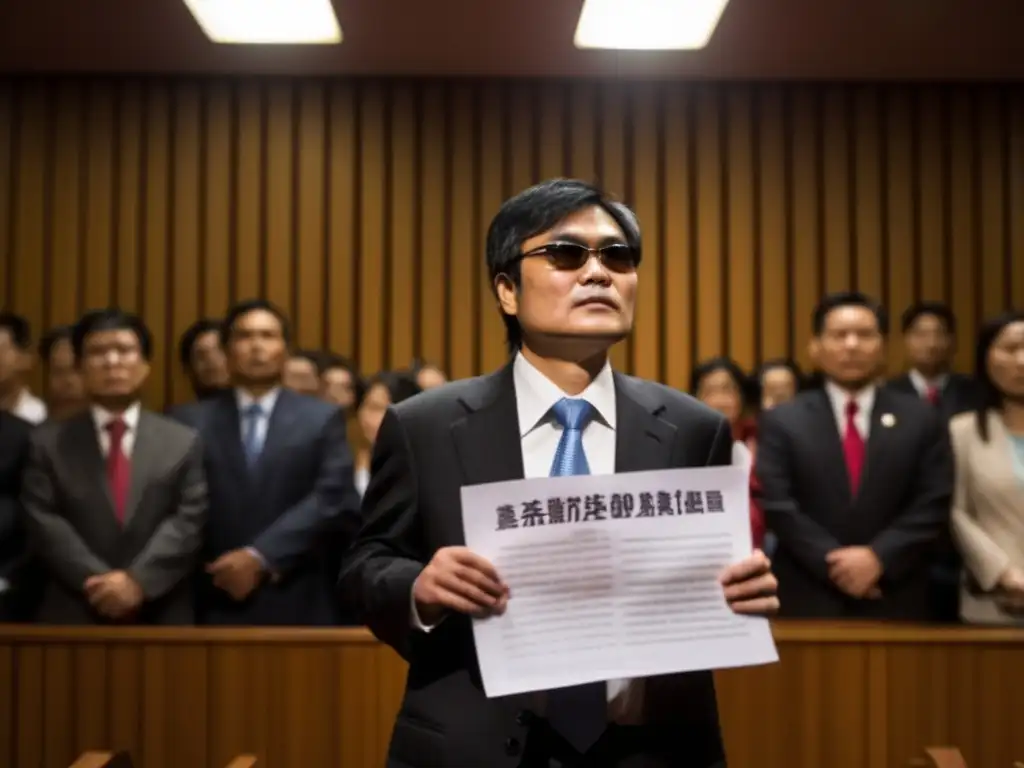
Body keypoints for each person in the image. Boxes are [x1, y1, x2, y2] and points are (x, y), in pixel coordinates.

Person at [339, 179, 778, 768]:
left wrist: (738, 593)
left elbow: (708, 585)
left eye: (617, 257)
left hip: (649, 749)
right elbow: (365, 566)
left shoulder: (693, 427)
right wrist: (419, 587)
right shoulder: (425, 425)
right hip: (473, 746)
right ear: (508, 291)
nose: (598, 273)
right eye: (567, 254)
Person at [756, 292, 952, 620]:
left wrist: (878, 558)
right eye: (838, 335)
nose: (851, 345)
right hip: (808, 594)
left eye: (864, 335)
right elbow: (777, 503)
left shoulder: (922, 417)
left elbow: (933, 500)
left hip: (898, 593)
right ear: (815, 347)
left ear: (883, 346)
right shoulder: (783, 420)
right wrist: (835, 564)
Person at [171, 300, 358, 625]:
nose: (256, 346)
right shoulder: (188, 421)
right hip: (211, 593)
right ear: (227, 350)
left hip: (298, 593)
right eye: (244, 336)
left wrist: (259, 557)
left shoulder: (320, 418)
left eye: (268, 335)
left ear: (285, 349)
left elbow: (332, 496)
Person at [22, 309, 207, 624]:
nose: (112, 361)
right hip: (74, 608)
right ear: (80, 367)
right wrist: (102, 584)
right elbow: (44, 522)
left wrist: (137, 582)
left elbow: (189, 521)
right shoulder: (46, 443)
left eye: (124, 350)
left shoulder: (183, 440)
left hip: (161, 608)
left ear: (145, 365)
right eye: (97, 352)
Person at [949, 311, 1024, 624]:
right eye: (1010, 348)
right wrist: (1004, 573)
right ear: (986, 358)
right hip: (995, 599)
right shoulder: (962, 430)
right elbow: (956, 513)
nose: (1021, 360)